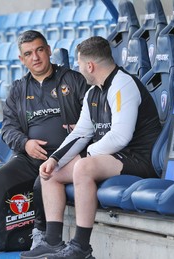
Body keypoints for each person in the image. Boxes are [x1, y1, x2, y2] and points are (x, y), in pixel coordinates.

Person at [20, 36, 162, 259]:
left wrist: (84, 157)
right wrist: (55, 159)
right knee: (51, 173)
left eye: (79, 64)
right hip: (111, 157)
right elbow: (80, 133)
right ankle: (53, 241)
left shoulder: (123, 84)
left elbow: (119, 137)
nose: (78, 69)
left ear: (90, 66)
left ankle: (81, 247)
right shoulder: (92, 92)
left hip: (138, 158)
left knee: (83, 167)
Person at [0, 30, 89, 259]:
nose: (35, 57)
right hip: (30, 156)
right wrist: (25, 144)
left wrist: (81, 127)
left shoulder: (73, 80)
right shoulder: (18, 89)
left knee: (41, 182)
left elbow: (93, 112)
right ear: (22, 59)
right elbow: (8, 128)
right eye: (28, 53)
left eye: (39, 50)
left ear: (47, 50)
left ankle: (41, 236)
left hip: (66, 156)